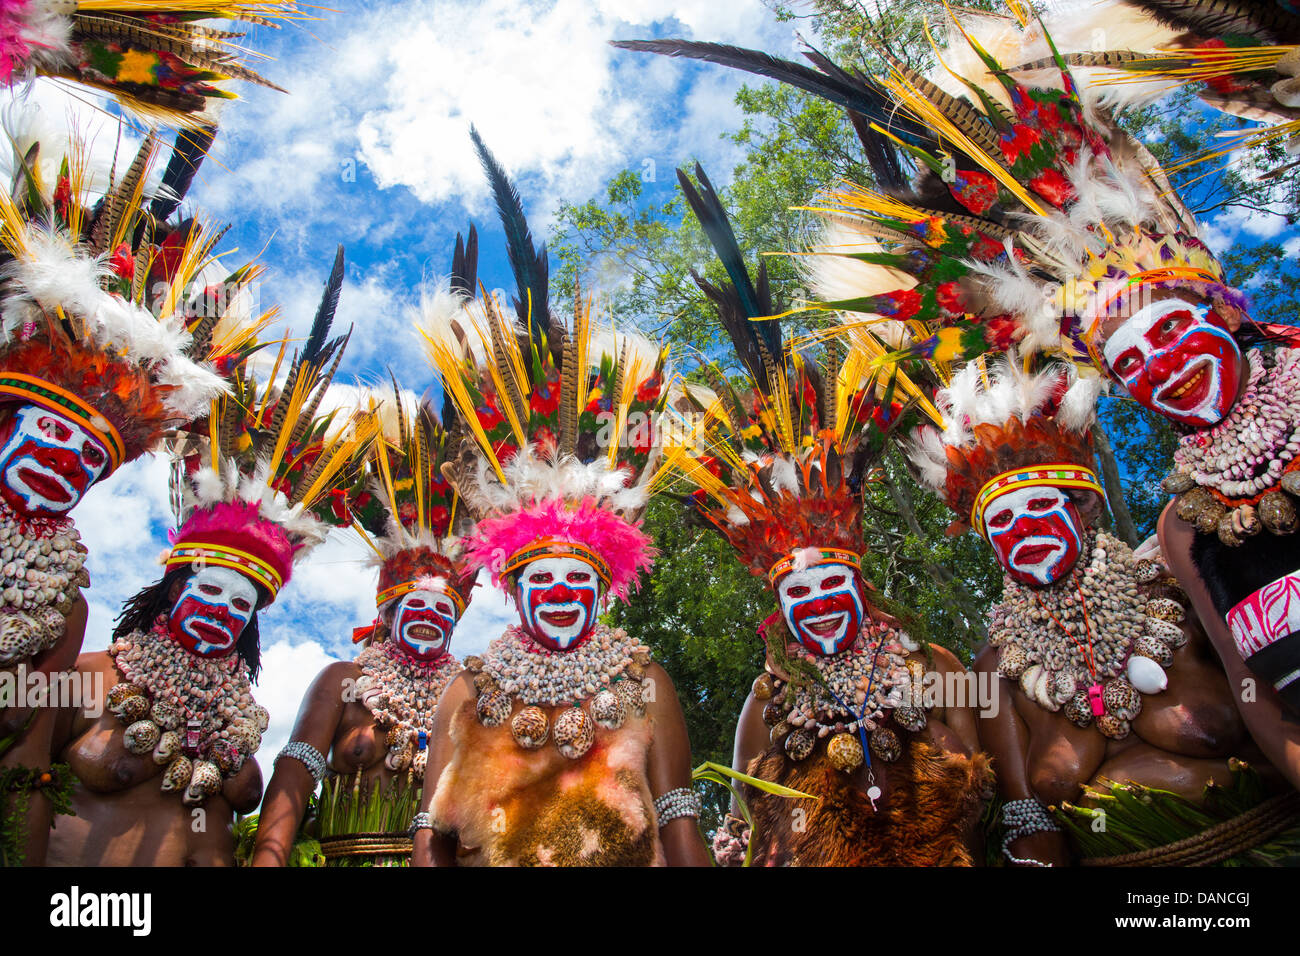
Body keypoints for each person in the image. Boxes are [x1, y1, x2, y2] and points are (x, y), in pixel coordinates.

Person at [666, 165, 988, 866]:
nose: (814, 605)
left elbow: (983, 791)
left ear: (857, 580)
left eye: (826, 586)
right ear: (779, 606)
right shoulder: (768, 699)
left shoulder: (935, 667)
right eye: (798, 594)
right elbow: (743, 820)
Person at [412, 132, 710, 867]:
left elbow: (677, 819)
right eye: (543, 580)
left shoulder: (643, 681)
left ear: (602, 589)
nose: (560, 594)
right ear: (515, 591)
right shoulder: (470, 686)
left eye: (577, 580)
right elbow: (431, 832)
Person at [48, 248, 372, 866]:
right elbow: (20, 784)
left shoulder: (242, 715)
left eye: (241, 605)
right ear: (174, 590)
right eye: (213, 591)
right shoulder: (88, 677)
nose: (224, 612)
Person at [0, 119, 260, 864]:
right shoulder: (93, 674)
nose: (67, 465)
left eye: (87, 456)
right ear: (170, 590)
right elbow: (31, 770)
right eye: (51, 437)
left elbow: (23, 761)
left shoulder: (59, 608)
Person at [253, 377, 477, 867]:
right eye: (415, 605)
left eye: (444, 611)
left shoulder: (471, 692)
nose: (429, 618)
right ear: (386, 613)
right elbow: (296, 773)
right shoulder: (345, 681)